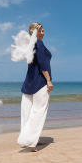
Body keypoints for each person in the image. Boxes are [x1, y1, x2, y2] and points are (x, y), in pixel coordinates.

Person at [17, 22, 53, 152]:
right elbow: (43, 64)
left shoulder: (30, 45)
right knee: (38, 112)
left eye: (43, 29)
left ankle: (27, 140)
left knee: (27, 113)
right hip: (40, 83)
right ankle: (31, 142)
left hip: (28, 84)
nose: (43, 31)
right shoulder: (39, 43)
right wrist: (48, 80)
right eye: (41, 29)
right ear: (35, 32)